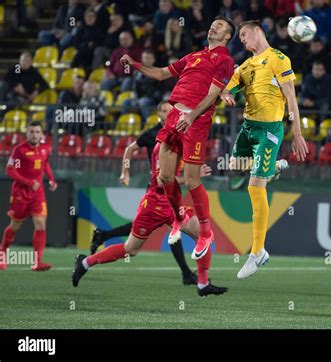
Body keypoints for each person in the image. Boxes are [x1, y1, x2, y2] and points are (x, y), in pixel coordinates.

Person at [119, 17, 236, 295]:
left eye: (220, 26)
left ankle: (204, 233)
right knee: (165, 176)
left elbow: (213, 94)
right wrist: (134, 64)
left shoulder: (225, 60)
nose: (213, 27)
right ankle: (178, 219)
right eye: (213, 24)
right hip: (174, 116)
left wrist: (192, 116)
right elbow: (161, 74)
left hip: (196, 120)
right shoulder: (194, 56)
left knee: (193, 181)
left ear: (228, 36)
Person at [72, 140, 226, 297]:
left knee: (203, 235)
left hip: (172, 204)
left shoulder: (184, 143)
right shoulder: (163, 147)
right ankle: (85, 262)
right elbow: (162, 180)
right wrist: (191, 177)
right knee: (130, 249)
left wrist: (192, 172)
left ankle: (202, 283)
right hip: (154, 205)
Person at [220, 20, 308, 278]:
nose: (242, 40)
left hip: (269, 131)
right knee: (235, 168)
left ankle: (257, 252)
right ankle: (273, 168)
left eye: (244, 35)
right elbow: (229, 86)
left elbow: (291, 95)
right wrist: (226, 93)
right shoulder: (245, 65)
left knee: (254, 187)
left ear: (257, 31)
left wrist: (297, 133)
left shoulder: (278, 58)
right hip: (248, 128)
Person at [0, 121, 57, 271]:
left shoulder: (45, 148)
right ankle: (2, 253)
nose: (34, 134)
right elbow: (10, 170)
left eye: (37, 132)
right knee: (15, 226)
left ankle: (37, 262)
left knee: (40, 224)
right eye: (31, 132)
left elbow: (45, 164)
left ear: (41, 134)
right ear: (27, 133)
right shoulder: (20, 150)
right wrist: (29, 182)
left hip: (38, 194)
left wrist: (51, 179)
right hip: (20, 193)